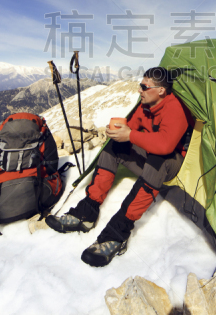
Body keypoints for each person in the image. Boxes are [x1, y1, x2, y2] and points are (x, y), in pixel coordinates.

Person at [46, 67, 194, 267]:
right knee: (114, 147)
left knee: (157, 160)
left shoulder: (175, 108)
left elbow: (165, 145)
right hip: (150, 158)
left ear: (161, 90)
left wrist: (131, 135)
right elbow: (131, 127)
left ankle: (117, 234)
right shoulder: (145, 105)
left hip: (173, 165)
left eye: (144, 86)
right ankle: (86, 213)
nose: (139, 90)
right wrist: (119, 134)